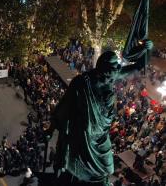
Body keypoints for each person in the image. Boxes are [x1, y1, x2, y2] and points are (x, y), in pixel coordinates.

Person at [46, 40, 153, 186]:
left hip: (101, 137)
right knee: (81, 170)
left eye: (116, 67)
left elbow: (139, 66)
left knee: (107, 167)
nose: (116, 70)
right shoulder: (82, 82)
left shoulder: (112, 75)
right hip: (84, 136)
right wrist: (50, 130)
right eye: (112, 67)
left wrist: (149, 49)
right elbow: (64, 106)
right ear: (102, 67)